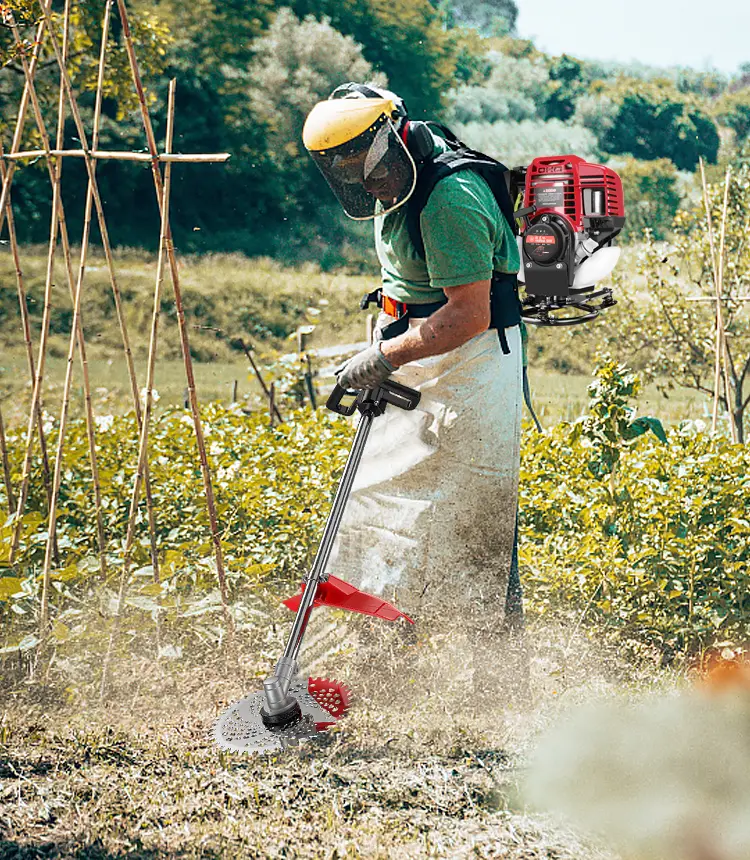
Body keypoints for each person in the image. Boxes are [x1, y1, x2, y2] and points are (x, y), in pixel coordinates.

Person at [302, 83, 526, 698]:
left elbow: (467, 315)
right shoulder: (398, 179)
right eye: (345, 173)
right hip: (418, 354)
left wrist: (381, 355)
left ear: (391, 136)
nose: (363, 182)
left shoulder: (447, 198)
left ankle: (500, 691)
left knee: (477, 519)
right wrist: (389, 345)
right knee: (383, 511)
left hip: (470, 366)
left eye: (367, 168)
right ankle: (380, 675)